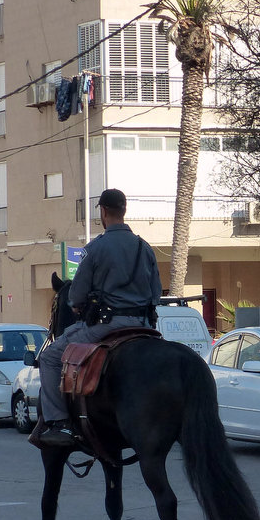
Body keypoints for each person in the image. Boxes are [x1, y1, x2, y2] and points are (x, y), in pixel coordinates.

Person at [31, 188, 162, 447]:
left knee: (49, 357)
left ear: (102, 211)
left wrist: (78, 306)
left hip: (107, 327)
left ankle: (59, 424)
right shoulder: (144, 248)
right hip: (145, 327)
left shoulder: (96, 248)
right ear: (124, 211)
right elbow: (156, 293)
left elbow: (76, 296)